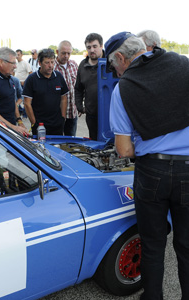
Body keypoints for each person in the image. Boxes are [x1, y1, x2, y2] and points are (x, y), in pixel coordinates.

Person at [105, 31, 189, 300]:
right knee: (187, 244)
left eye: (115, 66)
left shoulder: (124, 88)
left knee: (152, 245)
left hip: (152, 172)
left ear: (121, 57)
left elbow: (124, 149)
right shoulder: (183, 64)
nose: (117, 73)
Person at [0, 47, 28, 136]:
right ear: (1, 62)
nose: (15, 66)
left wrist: (19, 121)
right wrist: (13, 127)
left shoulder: (9, 78)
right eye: (13, 63)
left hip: (10, 129)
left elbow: (12, 101)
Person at [23, 48, 68, 136]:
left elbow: (64, 98)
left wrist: (63, 118)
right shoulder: (31, 79)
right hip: (40, 126)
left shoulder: (58, 76)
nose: (50, 65)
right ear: (39, 63)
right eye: (47, 63)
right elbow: (27, 103)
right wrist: (34, 123)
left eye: (52, 62)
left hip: (57, 125)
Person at [75, 33, 105, 140]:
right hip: (91, 115)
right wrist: (79, 106)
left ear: (101, 46)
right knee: (94, 142)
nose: (92, 50)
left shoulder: (111, 62)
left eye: (95, 46)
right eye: (89, 47)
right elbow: (78, 88)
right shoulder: (83, 65)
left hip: (109, 114)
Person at [54, 40, 78, 136]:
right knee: (57, 142)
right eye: (63, 53)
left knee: (71, 142)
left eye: (69, 53)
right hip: (57, 114)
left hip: (72, 113)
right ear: (57, 52)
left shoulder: (74, 65)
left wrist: (79, 105)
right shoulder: (52, 67)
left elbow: (79, 87)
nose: (66, 56)